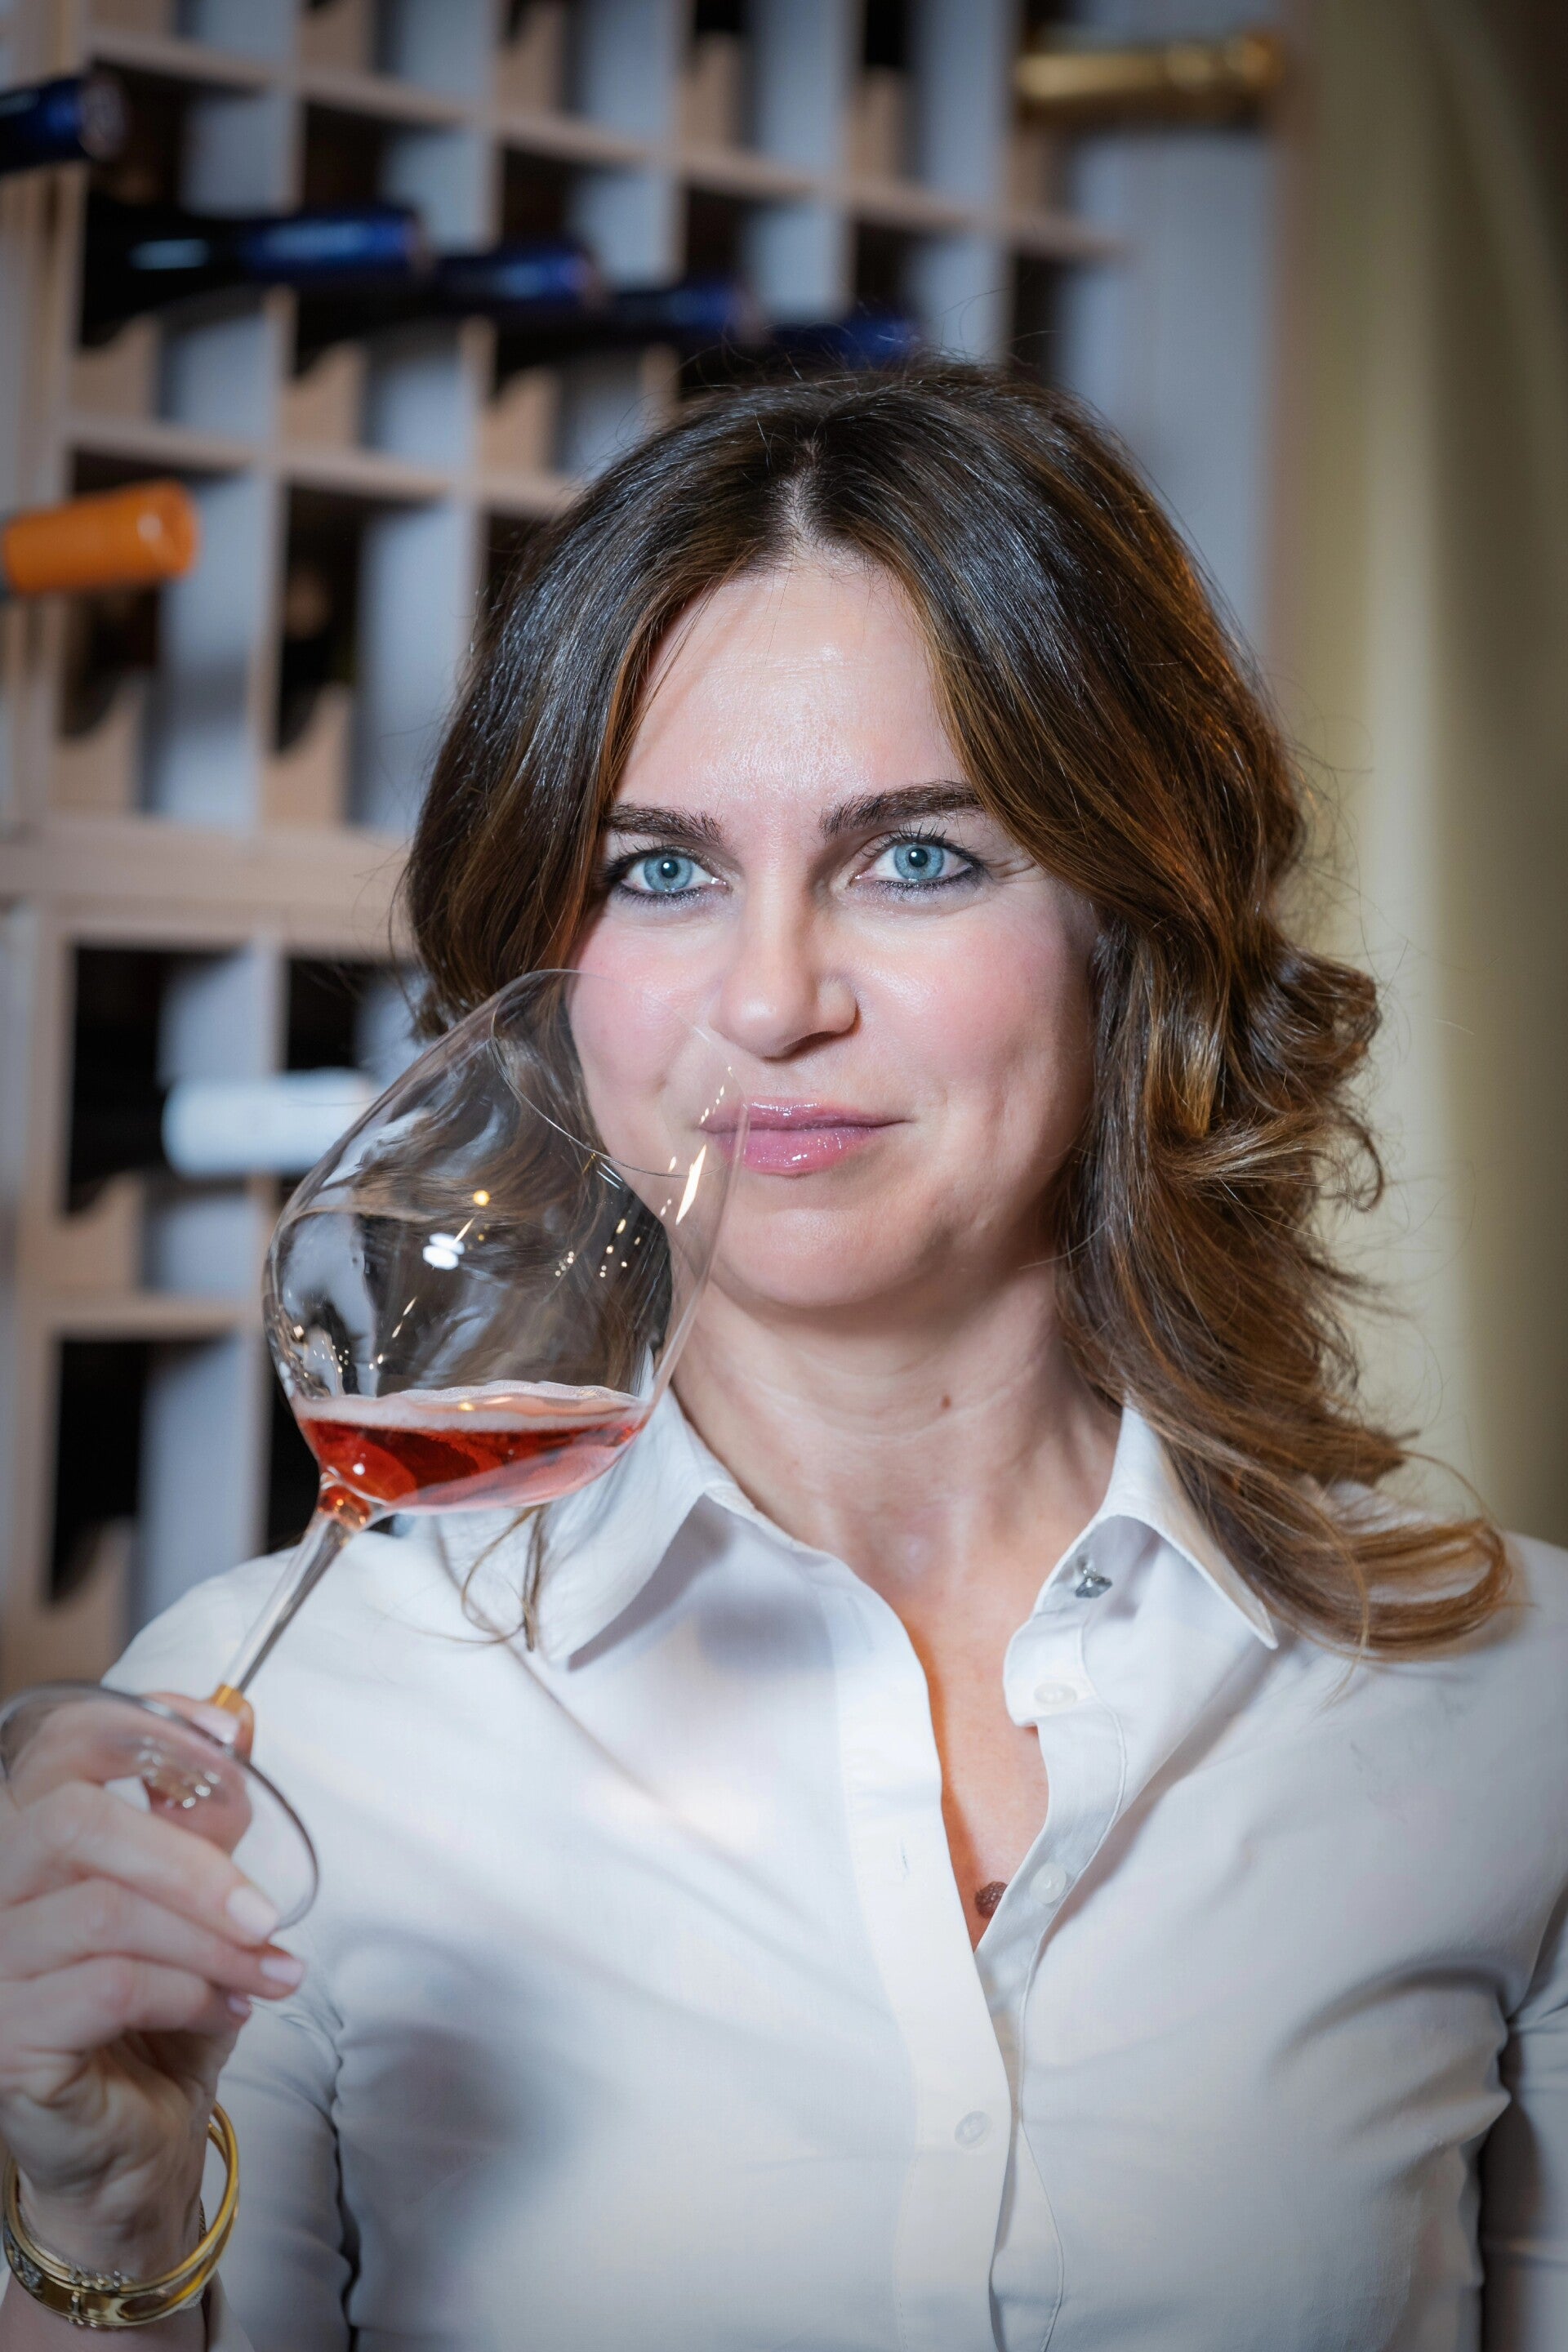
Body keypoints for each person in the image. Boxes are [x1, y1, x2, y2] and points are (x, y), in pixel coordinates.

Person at [1, 367, 1564, 2351]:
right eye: (661, 871)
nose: (771, 999)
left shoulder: (1508, 1708)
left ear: (1130, 922)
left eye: (916, 858)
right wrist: (104, 2232)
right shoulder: (283, 1734)